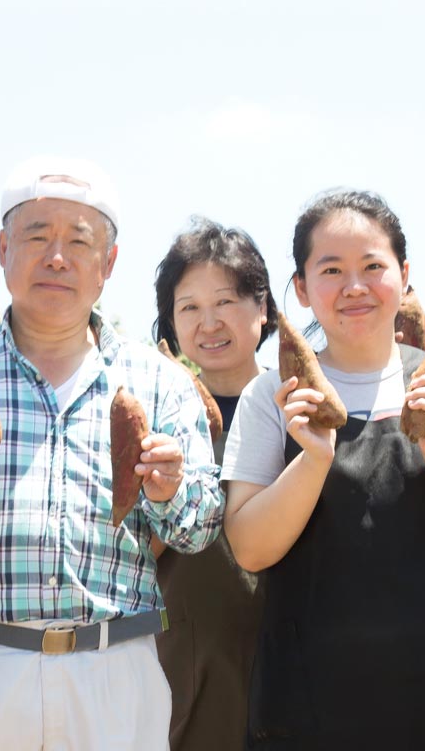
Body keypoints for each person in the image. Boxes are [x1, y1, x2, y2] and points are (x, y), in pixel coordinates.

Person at [0, 157, 225, 751]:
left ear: (108, 264)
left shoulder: (160, 383)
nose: (57, 257)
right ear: (3, 250)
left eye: (79, 241)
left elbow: (201, 527)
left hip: (114, 670)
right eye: (36, 237)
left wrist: (169, 490)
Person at [223, 189, 425, 750]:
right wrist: (312, 460)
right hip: (307, 710)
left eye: (373, 267)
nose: (354, 287)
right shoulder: (270, 394)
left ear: (404, 276)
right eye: (331, 270)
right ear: (304, 290)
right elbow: (249, 547)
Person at [149, 218, 277, 751]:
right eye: (189, 307)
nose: (209, 323)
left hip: (301, 649)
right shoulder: (157, 420)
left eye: (225, 301)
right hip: (194, 658)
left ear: (262, 308)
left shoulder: (299, 408)